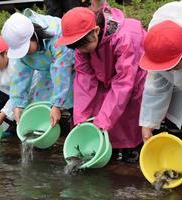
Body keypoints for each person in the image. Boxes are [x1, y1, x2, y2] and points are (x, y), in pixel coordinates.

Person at [57, 5, 146, 162]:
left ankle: (132, 147)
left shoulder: (124, 37)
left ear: (96, 31)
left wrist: (104, 120)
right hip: (106, 74)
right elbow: (84, 78)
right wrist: (81, 118)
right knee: (98, 105)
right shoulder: (82, 44)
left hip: (135, 73)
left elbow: (124, 82)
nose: (81, 50)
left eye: (84, 46)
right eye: (78, 48)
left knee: (128, 105)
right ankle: (110, 144)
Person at [1, 9, 74, 128]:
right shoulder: (22, 49)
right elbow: (20, 76)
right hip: (47, 70)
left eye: (26, 49)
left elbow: (61, 72)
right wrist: (18, 104)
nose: (25, 54)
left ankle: (76, 119)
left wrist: (56, 105)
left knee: (72, 97)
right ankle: (41, 131)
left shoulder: (56, 36)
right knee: (40, 104)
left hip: (70, 67)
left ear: (33, 36)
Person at [139, 0, 182, 144]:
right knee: (175, 118)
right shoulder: (158, 42)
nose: (170, 71)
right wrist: (148, 125)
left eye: (172, 66)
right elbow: (156, 88)